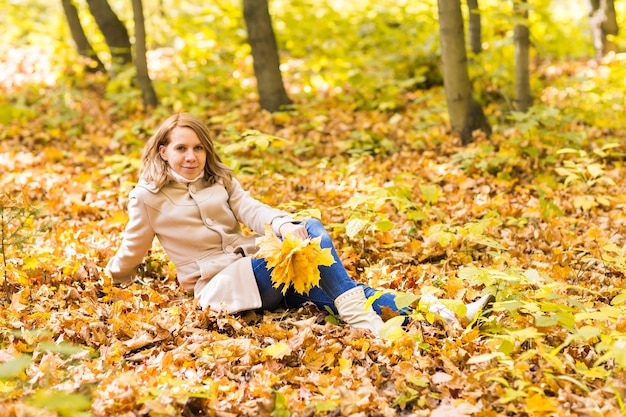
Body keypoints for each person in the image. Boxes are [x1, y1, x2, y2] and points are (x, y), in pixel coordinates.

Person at [106, 113, 494, 335]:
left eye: (197, 148)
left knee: (331, 274)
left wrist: (283, 225)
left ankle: (446, 311)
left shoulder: (220, 180)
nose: (191, 156)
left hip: (260, 270)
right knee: (317, 238)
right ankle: (363, 321)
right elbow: (132, 248)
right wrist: (113, 280)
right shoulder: (148, 197)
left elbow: (255, 211)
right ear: (163, 151)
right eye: (181, 148)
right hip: (222, 287)